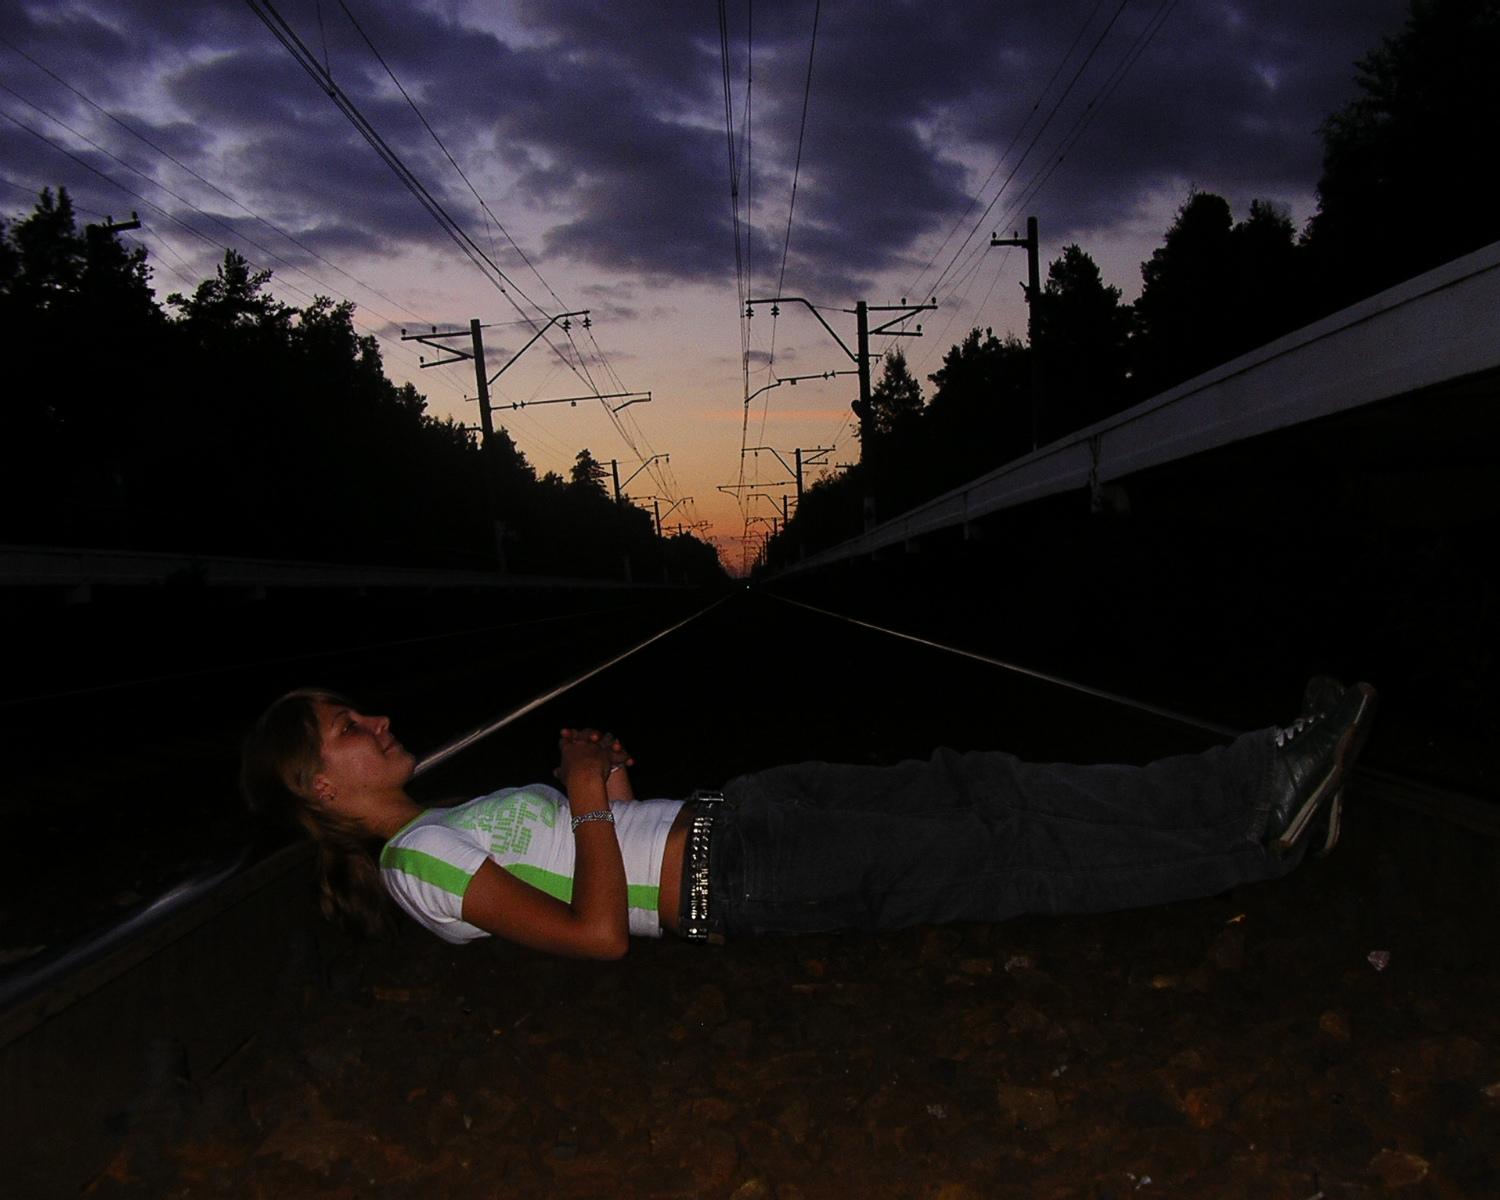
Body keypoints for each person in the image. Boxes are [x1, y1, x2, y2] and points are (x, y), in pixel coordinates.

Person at [239, 680, 1377, 959]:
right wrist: (586, 804)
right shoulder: (418, 864)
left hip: (742, 819)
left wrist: (612, 786)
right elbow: (595, 936)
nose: (373, 719)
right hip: (741, 876)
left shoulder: (441, 822)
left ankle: (1257, 777)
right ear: (317, 786)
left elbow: (608, 857)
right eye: (345, 726)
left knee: (990, 785)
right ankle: (1257, 828)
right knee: (1000, 852)